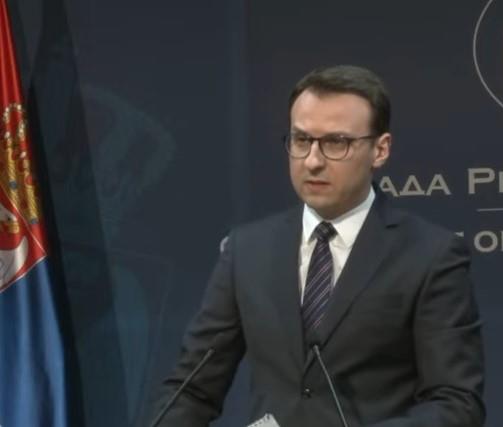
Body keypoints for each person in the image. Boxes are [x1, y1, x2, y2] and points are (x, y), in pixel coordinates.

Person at [155, 65, 485, 427]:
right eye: (301, 141)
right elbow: (192, 388)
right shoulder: (247, 250)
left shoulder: (430, 254)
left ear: (380, 150)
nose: (312, 161)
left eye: (336, 143)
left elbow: (457, 404)